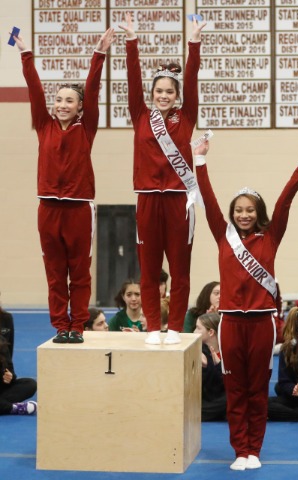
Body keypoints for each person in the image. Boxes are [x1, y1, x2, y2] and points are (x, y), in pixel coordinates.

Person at [193, 138, 298, 471]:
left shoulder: (271, 236)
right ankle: (239, 449)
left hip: (263, 323)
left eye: (250, 210)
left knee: (257, 390)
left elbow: (285, 201)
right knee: (235, 389)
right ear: (232, 214)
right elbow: (208, 200)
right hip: (231, 324)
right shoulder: (223, 235)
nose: (244, 215)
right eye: (239, 210)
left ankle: (254, 450)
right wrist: (200, 161)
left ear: (259, 213)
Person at [14, 28, 115, 344]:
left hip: (79, 209)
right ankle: (61, 325)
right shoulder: (44, 125)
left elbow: (93, 89)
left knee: (79, 273)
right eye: (58, 99)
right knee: (55, 273)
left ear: (80, 107)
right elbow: (34, 90)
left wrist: (99, 53)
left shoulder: (86, 128)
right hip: (48, 208)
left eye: (69, 100)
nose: (61, 104)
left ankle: (78, 325)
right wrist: (25, 53)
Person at [118, 14, 205, 345]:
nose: (164, 95)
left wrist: (194, 43)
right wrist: (132, 41)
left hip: (179, 201)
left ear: (177, 95)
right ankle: (153, 326)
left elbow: (192, 79)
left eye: (170, 91)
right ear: (151, 93)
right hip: (147, 199)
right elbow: (132, 78)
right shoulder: (140, 115)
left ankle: (175, 328)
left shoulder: (187, 117)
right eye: (159, 91)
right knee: (149, 269)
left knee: (180, 271)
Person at [0, 301, 37, 415]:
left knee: (30, 384)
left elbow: (8, 363)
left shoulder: (2, 340)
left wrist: (8, 376)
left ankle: (2, 404)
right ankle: (11, 407)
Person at [194, 313, 226, 421]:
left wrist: (218, 366)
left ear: (211, 332)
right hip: (207, 400)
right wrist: (206, 368)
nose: (194, 332)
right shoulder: (199, 352)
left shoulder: (228, 351)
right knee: (232, 400)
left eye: (198, 328)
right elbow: (206, 389)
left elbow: (233, 384)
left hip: (222, 398)